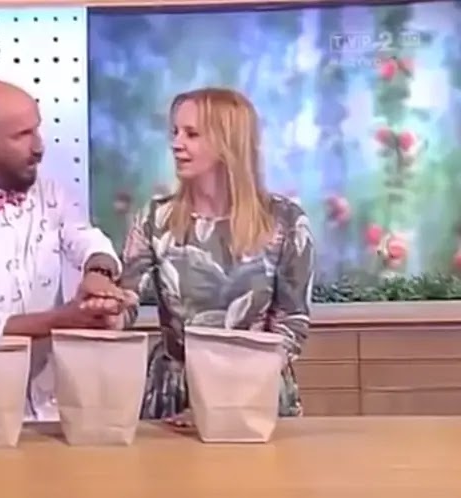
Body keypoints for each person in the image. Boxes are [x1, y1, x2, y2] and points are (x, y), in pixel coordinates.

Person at [93, 87, 315, 422]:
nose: (176, 143)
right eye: (175, 132)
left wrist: (223, 401)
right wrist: (107, 311)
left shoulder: (285, 221)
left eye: (191, 134)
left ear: (229, 142)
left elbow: (290, 326)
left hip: (256, 394)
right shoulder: (155, 219)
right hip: (174, 393)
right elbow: (127, 302)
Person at [0, 80, 128, 421]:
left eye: (37, 129)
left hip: (53, 409)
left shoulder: (52, 195)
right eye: (22, 135)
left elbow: (86, 239)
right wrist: (59, 320)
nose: (39, 146)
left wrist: (98, 274)